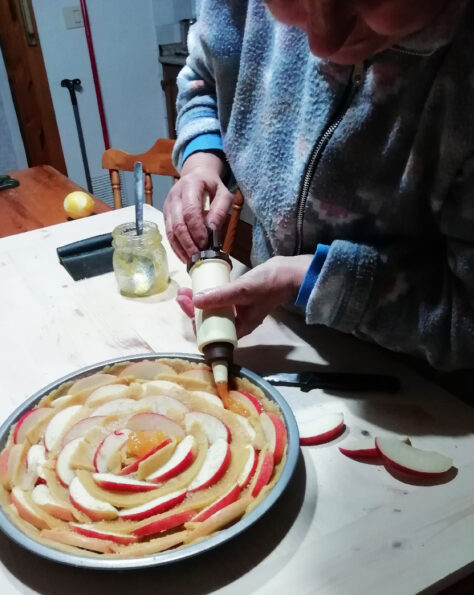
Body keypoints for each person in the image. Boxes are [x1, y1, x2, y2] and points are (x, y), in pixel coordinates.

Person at [163, 0, 474, 371]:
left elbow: (465, 321)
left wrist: (308, 279)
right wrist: (201, 163)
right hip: (288, 331)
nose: (322, 46)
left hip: (428, 388)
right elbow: (204, 81)